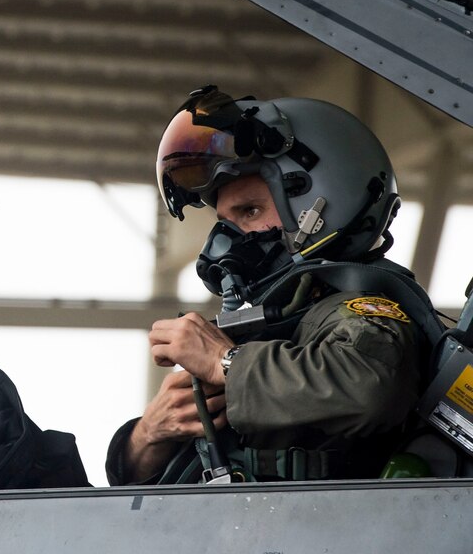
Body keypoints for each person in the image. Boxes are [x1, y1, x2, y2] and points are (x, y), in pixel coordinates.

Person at [106, 85, 437, 484]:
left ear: (320, 208)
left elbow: (369, 388)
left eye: (251, 210)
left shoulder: (358, 309)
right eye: (225, 220)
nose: (224, 241)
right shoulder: (280, 330)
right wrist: (148, 435)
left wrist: (223, 364)